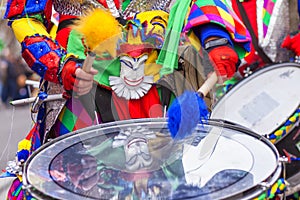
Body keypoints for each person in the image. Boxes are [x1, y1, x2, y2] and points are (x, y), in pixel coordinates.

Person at [2, 0, 251, 199]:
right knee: (75, 186)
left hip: (154, 99)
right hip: (79, 91)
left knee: (160, 188)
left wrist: (214, 36)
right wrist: (57, 64)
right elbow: (26, 17)